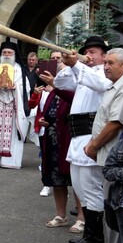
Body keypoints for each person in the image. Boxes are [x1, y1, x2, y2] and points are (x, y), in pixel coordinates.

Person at [67, 48, 123, 243]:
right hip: (105, 152)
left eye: (111, 63)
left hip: (113, 154)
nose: (106, 66)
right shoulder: (114, 83)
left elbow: (115, 123)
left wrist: (94, 145)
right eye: (107, 63)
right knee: (110, 205)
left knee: (115, 206)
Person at [53, 36, 113, 243]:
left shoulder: (107, 76)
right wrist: (71, 65)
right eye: (86, 51)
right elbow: (60, 83)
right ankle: (89, 234)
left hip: (91, 137)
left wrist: (78, 64)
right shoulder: (82, 72)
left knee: (91, 189)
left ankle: (94, 238)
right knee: (79, 187)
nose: (88, 55)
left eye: (93, 52)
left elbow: (98, 84)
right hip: (76, 136)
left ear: (104, 56)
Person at [33, 68, 85, 233]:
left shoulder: (75, 91)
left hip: (68, 140)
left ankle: (82, 218)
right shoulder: (53, 92)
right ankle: (60, 215)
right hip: (53, 140)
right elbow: (49, 112)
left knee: (75, 180)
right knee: (57, 180)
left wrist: (55, 85)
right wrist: (44, 120)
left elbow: (70, 101)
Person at [0, 42, 31, 169]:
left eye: (9, 53)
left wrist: (15, 87)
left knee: (11, 135)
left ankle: (10, 162)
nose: (6, 55)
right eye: (4, 52)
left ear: (14, 55)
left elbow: (25, 88)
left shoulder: (20, 70)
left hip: (13, 107)